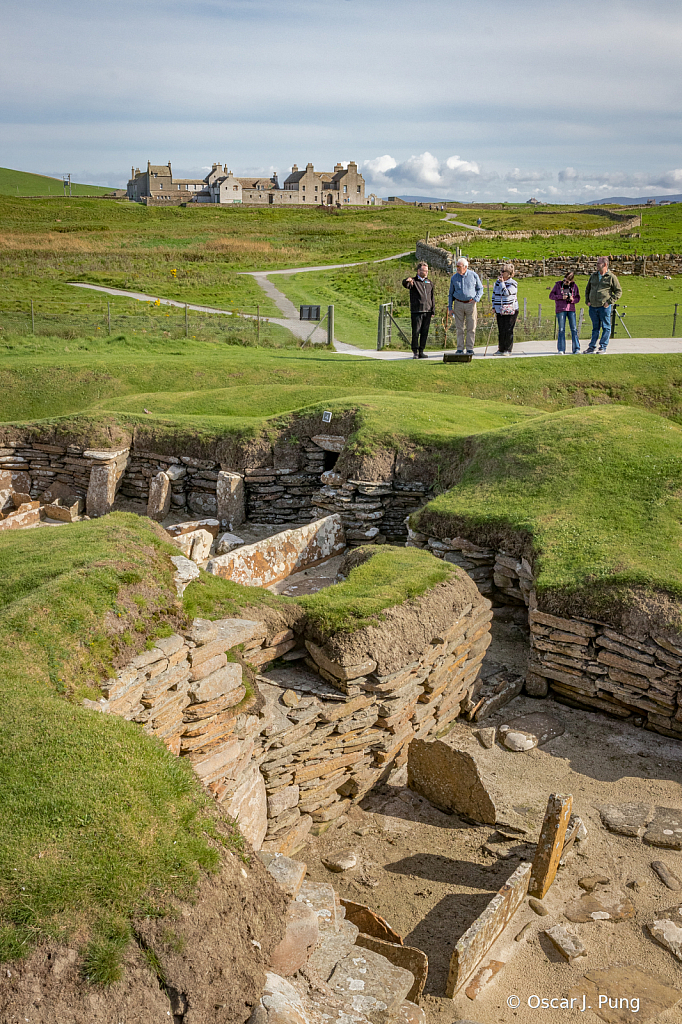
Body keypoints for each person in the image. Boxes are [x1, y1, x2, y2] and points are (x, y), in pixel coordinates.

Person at [584, 256, 622, 353]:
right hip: (593, 306)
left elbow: (618, 292)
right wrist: (587, 300)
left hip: (604, 307)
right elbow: (588, 289)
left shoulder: (611, 277)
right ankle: (592, 347)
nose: (596, 265)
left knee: (606, 326)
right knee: (595, 328)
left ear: (605, 264)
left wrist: (609, 302)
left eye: (598, 263)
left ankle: (603, 347)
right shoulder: (593, 276)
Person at [447, 257, 484, 355]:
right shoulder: (454, 278)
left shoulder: (473, 275)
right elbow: (450, 293)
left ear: (465, 267)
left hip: (470, 304)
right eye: (457, 266)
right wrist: (450, 308)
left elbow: (480, 289)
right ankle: (460, 348)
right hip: (458, 304)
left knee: (471, 327)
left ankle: (470, 348)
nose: (457, 268)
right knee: (460, 328)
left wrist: (476, 299)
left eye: (459, 266)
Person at [402, 261, 435, 359]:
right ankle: (415, 352)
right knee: (416, 332)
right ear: (418, 270)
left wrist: (432, 310)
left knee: (425, 332)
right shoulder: (413, 281)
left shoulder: (429, 283)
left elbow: (432, 297)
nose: (426, 272)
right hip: (417, 311)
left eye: (427, 271)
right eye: (424, 270)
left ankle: (421, 351)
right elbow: (406, 285)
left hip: (428, 311)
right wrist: (406, 281)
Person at [549, 271, 581, 354]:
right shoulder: (558, 285)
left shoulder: (574, 287)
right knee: (561, 329)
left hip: (571, 309)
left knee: (574, 329)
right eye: (564, 280)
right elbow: (551, 296)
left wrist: (572, 300)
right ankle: (561, 349)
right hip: (561, 309)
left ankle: (576, 349)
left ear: (571, 281)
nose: (565, 282)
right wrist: (561, 297)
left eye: (567, 281)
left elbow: (578, 298)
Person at [491, 263, 519, 355]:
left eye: (503, 271)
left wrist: (502, 283)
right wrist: (494, 306)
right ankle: (501, 349)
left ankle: (508, 349)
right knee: (501, 329)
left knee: (508, 329)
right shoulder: (497, 282)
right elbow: (494, 294)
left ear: (509, 273)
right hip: (499, 309)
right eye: (501, 271)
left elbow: (506, 293)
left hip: (510, 309)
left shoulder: (513, 284)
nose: (501, 273)